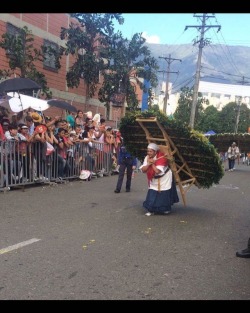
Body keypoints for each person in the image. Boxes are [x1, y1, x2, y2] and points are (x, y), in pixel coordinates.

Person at [140, 143, 179, 216]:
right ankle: (151, 210)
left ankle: (165, 209)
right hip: (153, 178)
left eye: (150, 151)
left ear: (155, 152)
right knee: (152, 192)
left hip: (164, 177)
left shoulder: (162, 157)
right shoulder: (147, 157)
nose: (149, 153)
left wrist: (153, 164)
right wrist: (148, 163)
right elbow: (143, 169)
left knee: (164, 193)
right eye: (148, 151)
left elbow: (158, 171)